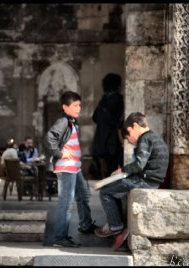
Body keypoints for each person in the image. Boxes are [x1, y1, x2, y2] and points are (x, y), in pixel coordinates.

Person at [94, 112, 169, 251]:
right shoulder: (156, 138)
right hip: (152, 181)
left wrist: (122, 170)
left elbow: (139, 165)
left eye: (128, 134)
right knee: (115, 189)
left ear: (134, 126)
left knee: (105, 192)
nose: (128, 140)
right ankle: (116, 224)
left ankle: (117, 229)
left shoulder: (144, 139)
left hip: (145, 182)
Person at [43, 91, 97, 248]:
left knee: (84, 196)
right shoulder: (63, 122)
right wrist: (59, 153)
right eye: (75, 105)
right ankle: (60, 237)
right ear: (65, 107)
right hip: (66, 168)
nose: (79, 108)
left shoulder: (73, 122)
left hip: (75, 167)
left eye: (80, 105)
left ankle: (85, 225)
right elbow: (49, 138)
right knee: (66, 203)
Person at [91, 73, 124, 178]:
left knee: (109, 167)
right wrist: (118, 125)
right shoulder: (117, 98)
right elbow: (112, 117)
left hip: (101, 138)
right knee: (115, 166)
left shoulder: (104, 98)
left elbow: (95, 117)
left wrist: (103, 124)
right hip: (112, 138)